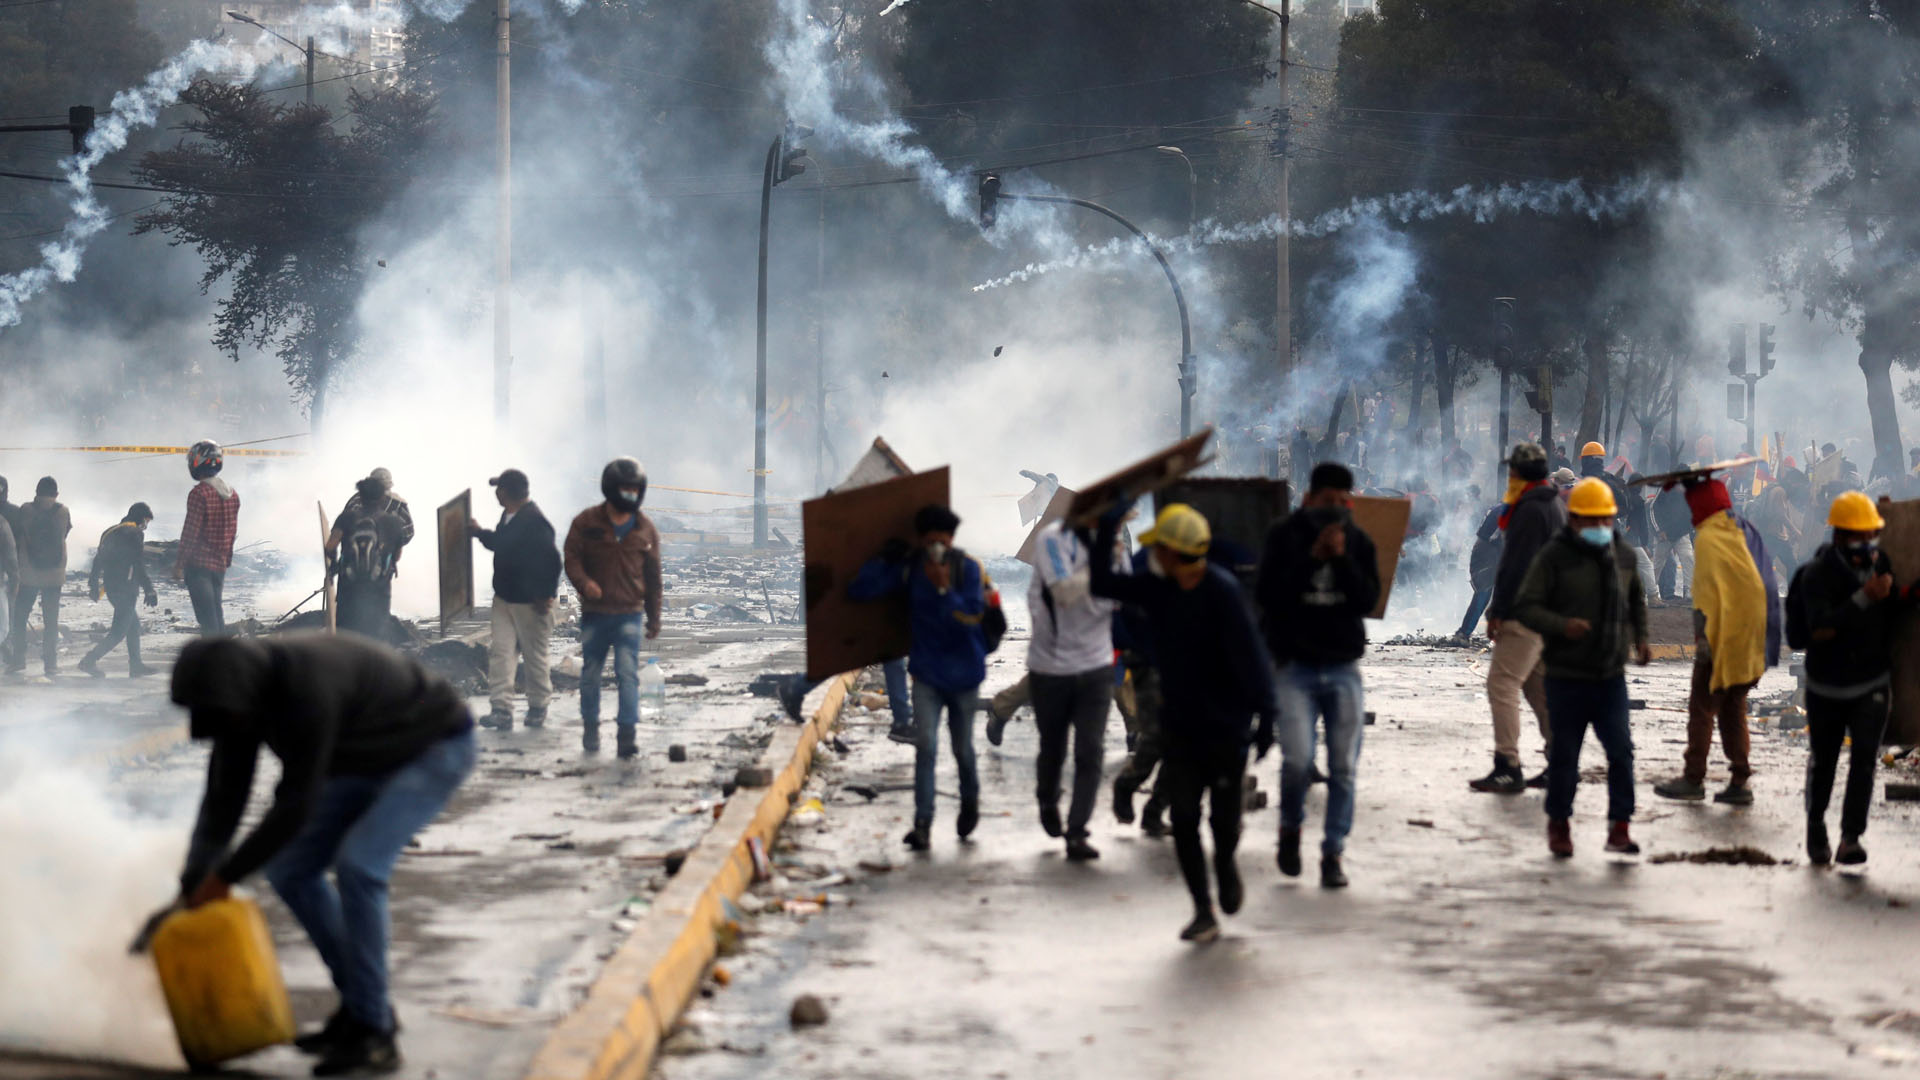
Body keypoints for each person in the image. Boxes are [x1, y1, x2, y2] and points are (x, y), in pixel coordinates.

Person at [164, 635, 476, 1076]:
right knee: (290, 870)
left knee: (360, 867)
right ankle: (360, 1008)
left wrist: (225, 878)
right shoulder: (243, 698)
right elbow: (224, 798)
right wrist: (196, 874)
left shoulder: (307, 690)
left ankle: (374, 1034)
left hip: (431, 748)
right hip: (361, 757)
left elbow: (295, 804)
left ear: (242, 694)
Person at [1091, 504, 1277, 943]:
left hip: (1227, 728)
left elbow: (1253, 659)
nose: (1152, 553)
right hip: (1180, 724)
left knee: (1223, 823)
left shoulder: (1223, 593)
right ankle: (1202, 909)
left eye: (1159, 546)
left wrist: (1267, 716)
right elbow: (1103, 584)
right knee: (1187, 818)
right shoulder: (1158, 589)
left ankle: (1226, 862)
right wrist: (1104, 526)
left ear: (1175, 552)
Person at [1512, 477, 1652, 858]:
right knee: (1565, 757)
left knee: (1621, 753)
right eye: (1592, 522)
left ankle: (1619, 827)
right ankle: (1559, 825)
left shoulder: (1622, 555)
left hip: (1610, 678)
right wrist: (1562, 626)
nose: (1600, 529)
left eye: (1606, 521)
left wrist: (1640, 637)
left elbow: (1636, 597)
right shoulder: (1553, 557)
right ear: (1573, 521)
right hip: (1566, 678)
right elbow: (1527, 606)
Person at [1258, 463, 1381, 889]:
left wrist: (1342, 558)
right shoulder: (1284, 536)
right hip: (1295, 667)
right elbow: (1269, 597)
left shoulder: (1359, 541)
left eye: (1342, 503)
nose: (1334, 510)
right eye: (1327, 502)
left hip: (1343, 666)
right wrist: (1313, 559)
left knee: (1343, 767)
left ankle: (1333, 852)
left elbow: (1367, 599)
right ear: (1309, 499)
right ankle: (1290, 829)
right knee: (1296, 760)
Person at [849, 505, 991, 852]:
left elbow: (972, 619)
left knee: (962, 750)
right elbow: (861, 591)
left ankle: (969, 802)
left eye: (940, 542)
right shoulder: (910, 569)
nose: (935, 549)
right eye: (929, 542)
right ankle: (923, 823)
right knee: (925, 745)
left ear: (952, 541)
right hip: (927, 673)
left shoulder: (968, 569)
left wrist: (945, 591)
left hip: (964, 675)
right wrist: (883, 560)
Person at [1787, 492, 1911, 866]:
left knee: (1864, 762)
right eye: (1859, 536)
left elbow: (1890, 608)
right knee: (1823, 761)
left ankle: (1850, 838)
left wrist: (1904, 596)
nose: (1868, 544)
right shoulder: (1815, 576)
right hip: (1827, 685)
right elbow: (1817, 629)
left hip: (1872, 682)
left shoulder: (1880, 563)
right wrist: (1863, 598)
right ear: (1840, 537)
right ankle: (1815, 826)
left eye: (1871, 535)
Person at [1652, 477, 1780, 805]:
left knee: (1701, 707)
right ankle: (1740, 779)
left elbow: (1705, 597)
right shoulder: (1742, 529)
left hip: (1722, 638)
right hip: (1752, 635)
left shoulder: (1709, 538)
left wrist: (1703, 643)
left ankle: (1693, 778)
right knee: (1733, 708)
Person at [1470, 445, 1566, 794]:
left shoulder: (1528, 509)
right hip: (1547, 609)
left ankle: (1507, 765)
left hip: (1526, 611)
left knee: (1502, 683)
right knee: (1536, 687)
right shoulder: (1553, 503)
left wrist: (1498, 611)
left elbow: (1516, 565)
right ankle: (1561, 761)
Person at [1023, 517, 1120, 861]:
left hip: (1095, 667)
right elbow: (1063, 592)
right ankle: (1047, 798)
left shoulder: (1114, 549)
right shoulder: (1055, 538)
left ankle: (1077, 831)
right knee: (1053, 748)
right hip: (1051, 668)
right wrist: (1103, 569)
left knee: (1090, 750)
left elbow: (1121, 600)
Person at [564, 457, 663, 759]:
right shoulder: (586, 522)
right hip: (595, 614)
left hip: (629, 613)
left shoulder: (646, 530)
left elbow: (653, 577)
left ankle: (626, 735)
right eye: (626, 490)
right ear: (611, 489)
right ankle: (591, 727)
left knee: (628, 674)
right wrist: (584, 584)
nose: (631, 495)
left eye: (636, 490)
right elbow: (571, 558)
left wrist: (654, 617)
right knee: (591, 674)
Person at [470, 468, 561, 732]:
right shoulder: (509, 517)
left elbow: (552, 561)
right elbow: (502, 543)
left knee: (534, 657)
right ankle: (501, 709)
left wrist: (546, 595)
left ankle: (537, 707)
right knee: (501, 653)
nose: (496, 493)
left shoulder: (534, 522)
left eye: (499, 489)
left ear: (506, 493)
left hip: (531, 602)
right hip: (505, 598)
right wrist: (479, 533)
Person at [1109, 543, 1169, 836]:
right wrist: (1131, 649)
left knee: (1183, 745)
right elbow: (1118, 611)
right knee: (1157, 736)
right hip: (1149, 663)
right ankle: (1127, 783)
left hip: (1187, 664)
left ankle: (1156, 809)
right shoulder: (1143, 561)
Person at [79, 502, 159, 678]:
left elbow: (98, 560)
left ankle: (136, 666)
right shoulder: (135, 533)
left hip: (111, 587)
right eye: (146, 521)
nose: (146, 526)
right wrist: (149, 589)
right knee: (118, 632)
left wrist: (93, 584)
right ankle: (88, 661)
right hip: (126, 588)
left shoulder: (110, 531)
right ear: (141, 518)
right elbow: (137, 563)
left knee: (133, 626)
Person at [329, 478, 407, 643]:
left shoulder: (346, 518)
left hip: (348, 589)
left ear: (360, 496)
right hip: (378, 590)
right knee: (375, 637)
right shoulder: (393, 522)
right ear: (383, 497)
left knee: (346, 637)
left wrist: (335, 565)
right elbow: (397, 556)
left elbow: (330, 546)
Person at [175, 440, 241, 636]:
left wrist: (179, 564)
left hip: (199, 567)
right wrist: (226, 560)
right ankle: (222, 658)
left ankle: (214, 661)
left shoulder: (199, 493)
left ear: (197, 462)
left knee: (207, 619)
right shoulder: (233, 494)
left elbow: (190, 532)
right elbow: (232, 533)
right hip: (219, 566)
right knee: (216, 614)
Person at [8, 477, 70, 676]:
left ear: (36, 492)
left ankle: (18, 660)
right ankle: (50, 664)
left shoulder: (25, 510)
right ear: (56, 494)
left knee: (19, 617)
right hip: (54, 576)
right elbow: (65, 534)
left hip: (29, 575)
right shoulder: (63, 511)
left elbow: (18, 535)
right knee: (51, 620)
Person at [331, 467, 415, 562]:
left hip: (351, 561)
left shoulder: (354, 503)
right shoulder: (398, 508)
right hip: (380, 566)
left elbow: (336, 535)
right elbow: (408, 533)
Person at [1455, 500, 1503, 641]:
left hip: (1490, 552)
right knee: (1483, 593)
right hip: (1488, 553)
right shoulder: (1507, 511)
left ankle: (1465, 633)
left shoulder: (1504, 508)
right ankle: (1464, 634)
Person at [1651, 479, 1694, 603]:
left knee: (1688, 557)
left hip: (1682, 534)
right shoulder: (1665, 488)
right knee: (1658, 564)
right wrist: (1659, 530)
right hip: (1665, 535)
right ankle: (1650, 592)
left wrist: (1690, 531)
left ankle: (1689, 591)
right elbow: (1653, 509)